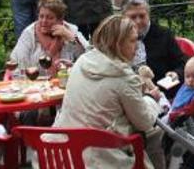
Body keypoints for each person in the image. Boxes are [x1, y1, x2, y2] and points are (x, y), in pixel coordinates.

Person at [53, 15, 165, 169]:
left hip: (62, 153)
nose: (137, 46)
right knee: (157, 132)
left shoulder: (82, 61)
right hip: (99, 160)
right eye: (132, 41)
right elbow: (144, 122)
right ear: (118, 44)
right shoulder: (124, 77)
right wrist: (151, 98)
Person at [10, 0, 90, 76]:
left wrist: (70, 37)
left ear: (60, 20)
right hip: (36, 84)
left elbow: (88, 57)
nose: (44, 21)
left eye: (49, 18)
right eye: (41, 16)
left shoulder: (70, 30)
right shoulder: (29, 33)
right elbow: (17, 64)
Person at [119, 0, 186, 88]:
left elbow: (182, 64)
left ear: (149, 15)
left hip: (161, 91)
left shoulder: (164, 35)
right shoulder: (119, 37)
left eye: (142, 16)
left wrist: (176, 74)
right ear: (124, 18)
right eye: (133, 17)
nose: (138, 21)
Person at [167, 56, 194, 123]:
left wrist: (172, 115)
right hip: (171, 112)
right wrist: (170, 104)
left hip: (182, 122)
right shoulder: (185, 87)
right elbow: (178, 99)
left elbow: (189, 110)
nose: (190, 80)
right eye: (187, 76)